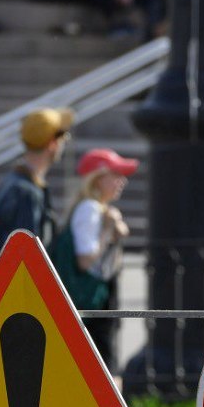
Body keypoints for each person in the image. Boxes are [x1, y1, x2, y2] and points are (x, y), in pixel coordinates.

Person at [0, 107, 74, 299]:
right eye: (62, 138)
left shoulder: (13, 182)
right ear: (52, 144)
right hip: (13, 301)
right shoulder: (25, 192)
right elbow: (26, 257)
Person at [62, 148, 137, 371]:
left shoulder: (99, 209)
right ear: (97, 179)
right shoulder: (89, 209)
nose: (122, 181)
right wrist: (107, 230)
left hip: (99, 297)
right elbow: (85, 260)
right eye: (115, 175)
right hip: (91, 298)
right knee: (104, 365)